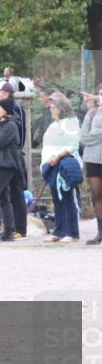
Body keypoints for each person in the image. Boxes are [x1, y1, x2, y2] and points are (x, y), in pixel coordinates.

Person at [0, 82, 27, 239]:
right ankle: (8, 231)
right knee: (2, 198)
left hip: (6, 164)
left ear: (6, 111)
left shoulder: (10, 125)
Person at [41, 94, 81, 242]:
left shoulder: (70, 123)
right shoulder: (54, 124)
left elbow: (72, 145)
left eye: (54, 105)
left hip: (63, 164)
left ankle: (71, 232)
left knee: (67, 198)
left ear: (61, 107)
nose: (51, 108)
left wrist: (57, 156)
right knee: (57, 199)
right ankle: (59, 231)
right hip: (51, 165)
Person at [80, 85, 102, 245]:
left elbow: (92, 135)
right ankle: (100, 231)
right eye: (99, 93)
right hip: (93, 158)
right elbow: (83, 137)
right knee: (97, 195)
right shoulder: (91, 113)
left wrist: (94, 136)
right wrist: (96, 136)